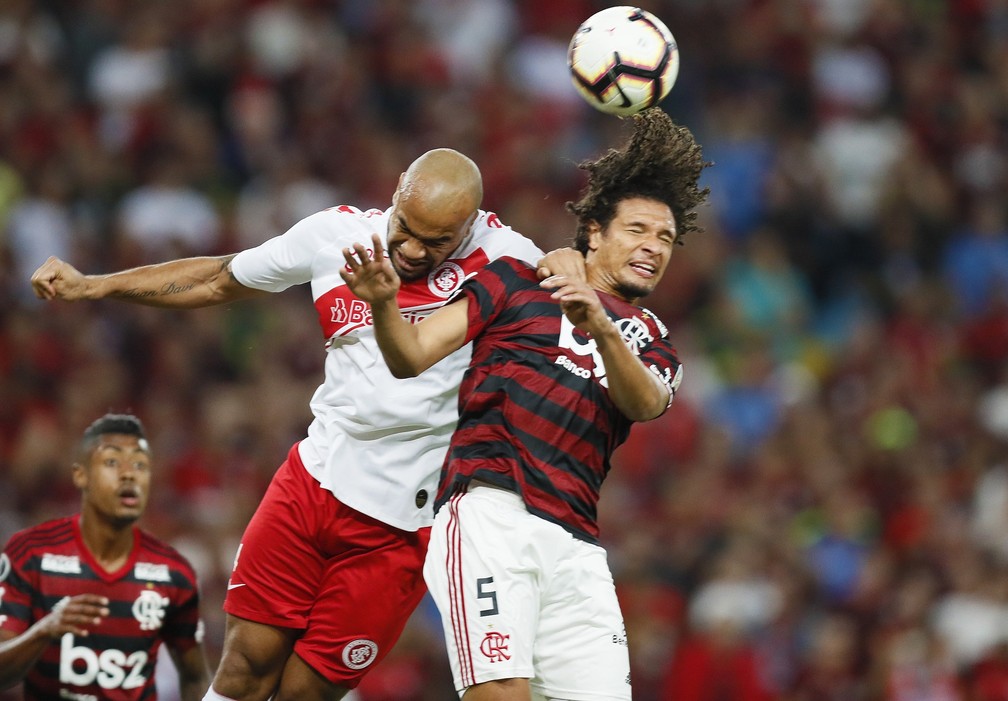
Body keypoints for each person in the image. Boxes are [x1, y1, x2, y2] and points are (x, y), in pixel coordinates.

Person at [30, 148, 582, 701]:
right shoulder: (335, 235)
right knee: (244, 669)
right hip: (310, 485)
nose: (412, 250)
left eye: (436, 242)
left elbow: (584, 290)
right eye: (406, 230)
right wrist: (93, 285)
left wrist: (569, 262)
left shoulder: (509, 259)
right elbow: (220, 278)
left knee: (302, 695)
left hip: (399, 528)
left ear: (472, 224)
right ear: (396, 192)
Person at [341, 107, 710, 700]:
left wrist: (599, 324)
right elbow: (410, 354)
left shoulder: (654, 341)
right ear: (594, 231)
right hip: (491, 517)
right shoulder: (517, 280)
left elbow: (643, 403)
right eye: (638, 229)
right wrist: (385, 303)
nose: (654, 247)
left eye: (666, 238)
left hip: (577, 547)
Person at [0, 413, 209, 701]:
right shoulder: (30, 554)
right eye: (112, 462)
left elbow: (196, 678)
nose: (128, 474)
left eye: (140, 465)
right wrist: (43, 632)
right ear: (80, 475)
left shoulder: (174, 573)